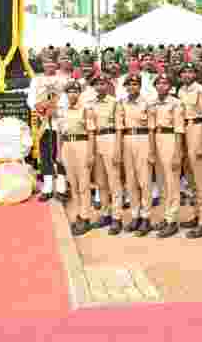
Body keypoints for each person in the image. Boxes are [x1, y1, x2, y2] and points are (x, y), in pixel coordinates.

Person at [177, 62, 202, 237]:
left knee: (201, 179)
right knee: (190, 178)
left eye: (190, 71)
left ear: (195, 74)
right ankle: (197, 214)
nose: (186, 74)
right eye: (184, 72)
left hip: (197, 129)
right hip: (183, 130)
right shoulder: (181, 91)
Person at [29, 53, 69, 201]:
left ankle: (61, 187)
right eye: (47, 63)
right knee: (45, 155)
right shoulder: (36, 79)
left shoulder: (64, 79)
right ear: (43, 64)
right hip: (43, 122)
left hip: (60, 121)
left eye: (52, 62)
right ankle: (47, 187)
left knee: (60, 155)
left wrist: (56, 107)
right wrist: (40, 106)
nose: (50, 65)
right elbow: (31, 98)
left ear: (56, 64)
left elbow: (68, 97)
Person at [150, 74, 185, 238]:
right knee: (161, 181)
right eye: (159, 83)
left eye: (165, 83)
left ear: (170, 87)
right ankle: (166, 215)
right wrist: (151, 150)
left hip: (171, 139)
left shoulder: (176, 103)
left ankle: (173, 221)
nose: (162, 86)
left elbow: (179, 129)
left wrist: (178, 152)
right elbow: (151, 128)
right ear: (155, 86)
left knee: (172, 182)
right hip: (157, 139)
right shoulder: (153, 103)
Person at [58, 81, 95, 236]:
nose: (72, 94)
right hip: (67, 146)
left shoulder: (86, 110)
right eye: (70, 92)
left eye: (75, 92)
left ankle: (85, 217)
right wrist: (59, 153)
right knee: (72, 184)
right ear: (66, 94)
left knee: (84, 184)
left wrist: (91, 153)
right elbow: (59, 134)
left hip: (82, 144)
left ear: (79, 94)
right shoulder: (62, 111)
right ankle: (78, 215)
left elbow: (91, 132)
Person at [118, 74, 153, 235]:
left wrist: (152, 149)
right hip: (127, 140)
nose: (132, 87)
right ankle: (135, 215)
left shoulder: (147, 103)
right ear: (125, 87)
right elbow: (119, 127)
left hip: (143, 139)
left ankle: (146, 217)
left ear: (139, 86)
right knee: (131, 181)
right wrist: (118, 148)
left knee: (144, 180)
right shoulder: (121, 104)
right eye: (129, 84)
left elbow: (152, 128)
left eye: (135, 84)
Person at [88, 74, 122, 234]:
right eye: (97, 84)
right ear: (94, 86)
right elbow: (90, 128)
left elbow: (119, 127)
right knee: (101, 182)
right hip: (96, 139)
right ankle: (105, 213)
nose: (100, 86)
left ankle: (117, 217)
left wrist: (117, 148)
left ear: (107, 85)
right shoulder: (91, 104)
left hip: (110, 138)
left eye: (103, 83)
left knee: (114, 181)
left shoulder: (114, 102)